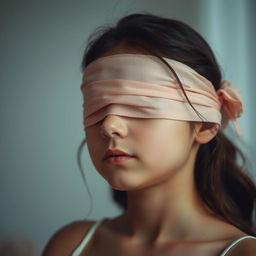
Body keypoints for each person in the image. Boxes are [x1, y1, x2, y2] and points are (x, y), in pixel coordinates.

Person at [42, 13, 256, 256]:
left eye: (140, 105)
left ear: (205, 125)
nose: (109, 125)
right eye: (97, 106)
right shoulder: (70, 245)